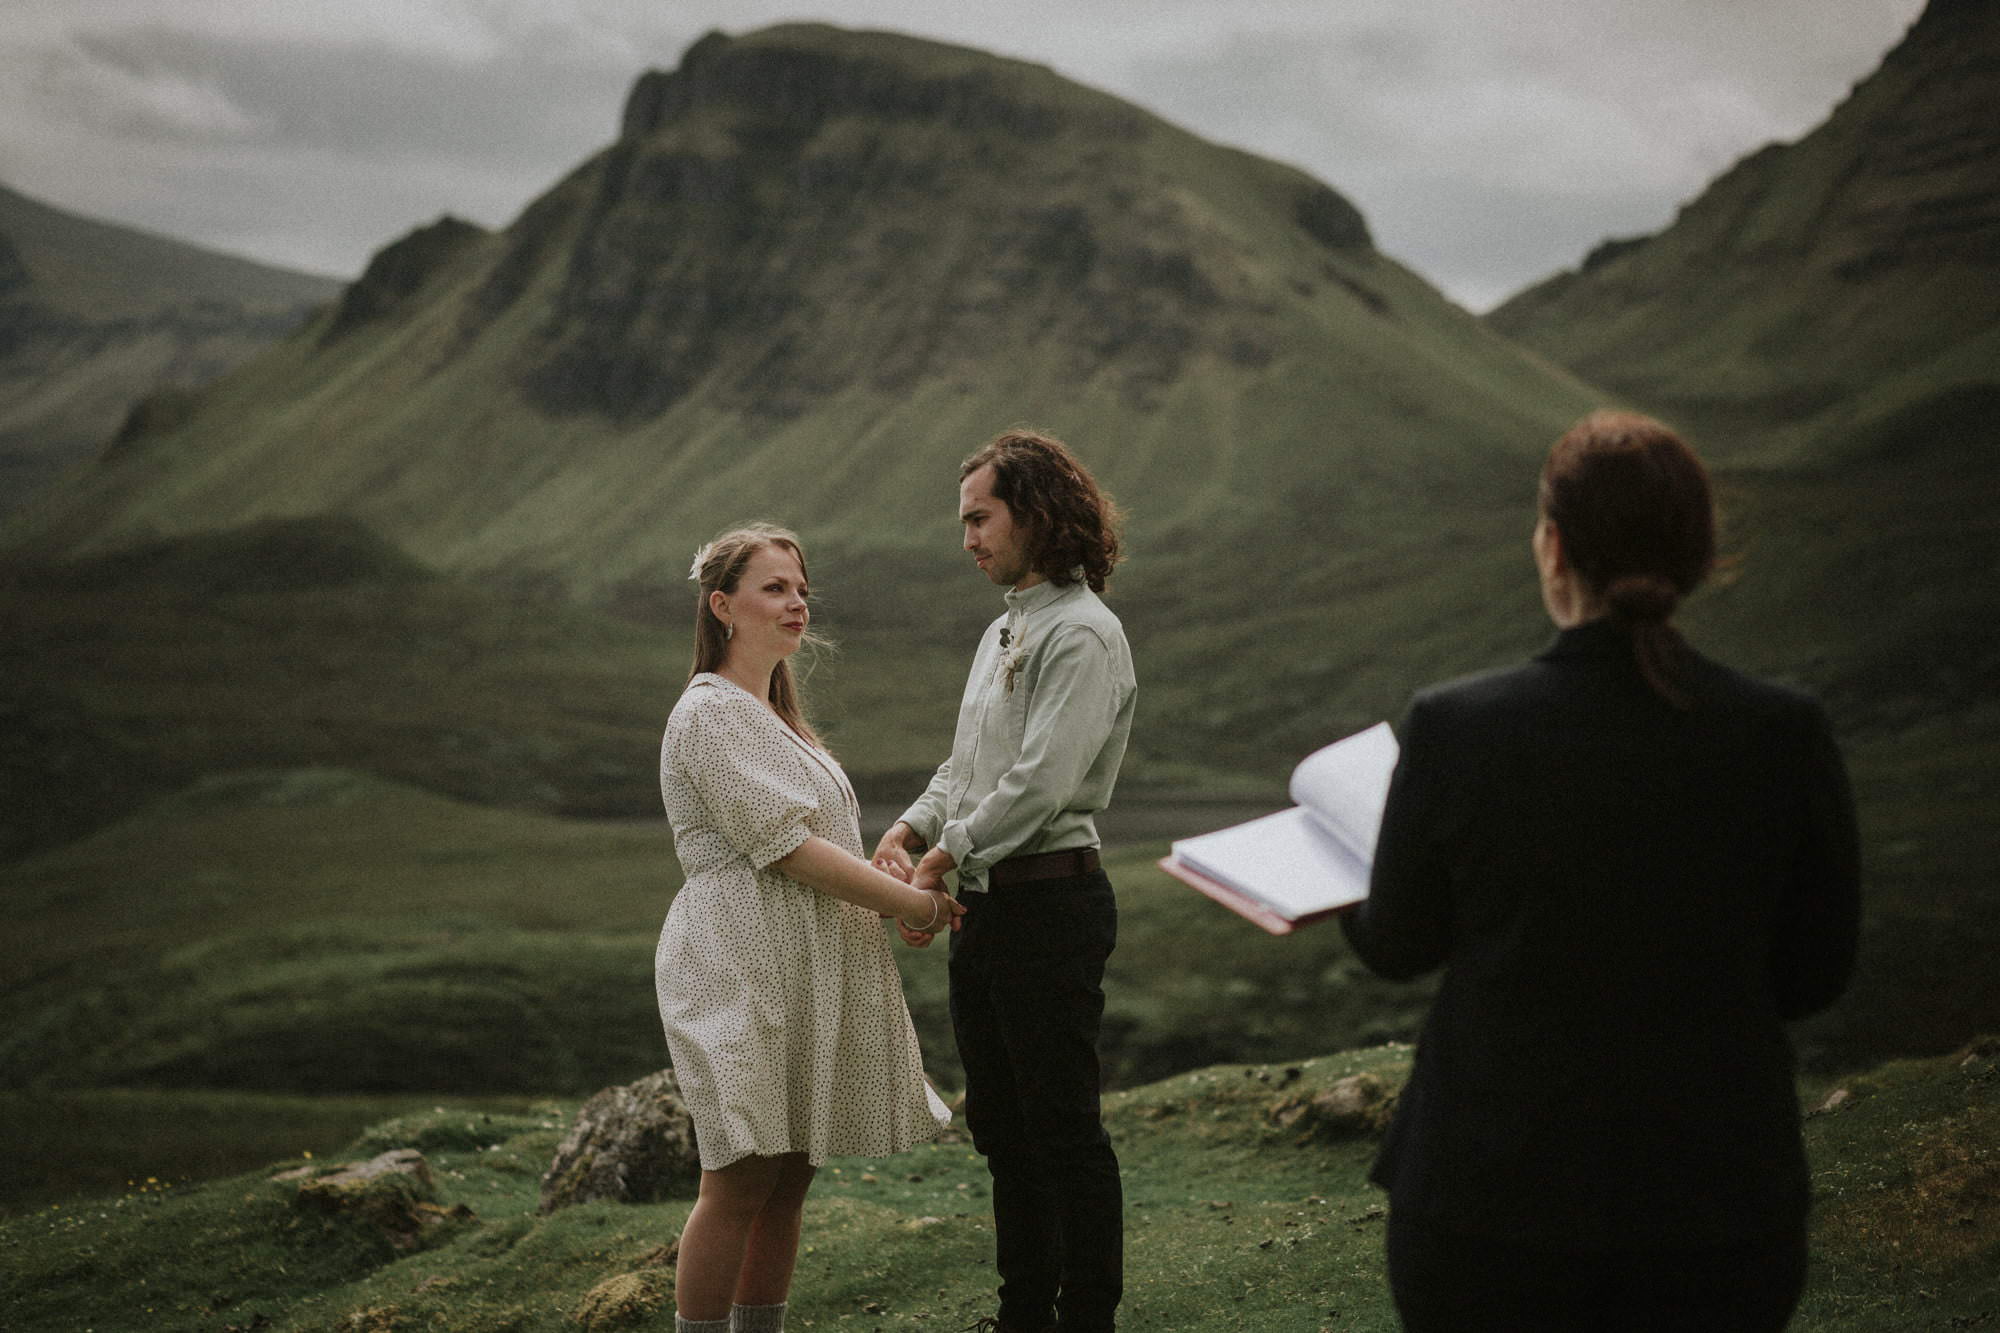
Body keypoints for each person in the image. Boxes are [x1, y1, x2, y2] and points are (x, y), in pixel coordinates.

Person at [1340, 411, 1861, 1331]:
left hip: (1489, 1197)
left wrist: (1352, 885)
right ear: (1699, 554)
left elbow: (1399, 943)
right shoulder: (1783, 732)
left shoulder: (1458, 726)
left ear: (1551, 548)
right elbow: (1816, 971)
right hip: (1718, 1200)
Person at [657, 523, 960, 1333]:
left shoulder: (781, 718)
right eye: (773, 588)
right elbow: (787, 849)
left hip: (807, 961)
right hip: (739, 962)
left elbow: (826, 847)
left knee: (789, 1174)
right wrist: (912, 905)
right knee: (739, 1175)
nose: (796, 603)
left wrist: (888, 880)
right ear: (723, 605)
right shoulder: (710, 714)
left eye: (800, 588)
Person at [873, 430, 1137, 1333]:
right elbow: (968, 766)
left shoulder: (1085, 633)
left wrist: (947, 854)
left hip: (1052, 902)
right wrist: (911, 826)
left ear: (1033, 511)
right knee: (1004, 1128)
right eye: (964, 521)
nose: (968, 539)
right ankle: (1023, 1314)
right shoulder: (1005, 627)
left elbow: (1043, 780)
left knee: (1063, 1127)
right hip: (988, 909)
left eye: (980, 517)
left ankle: (1086, 1318)